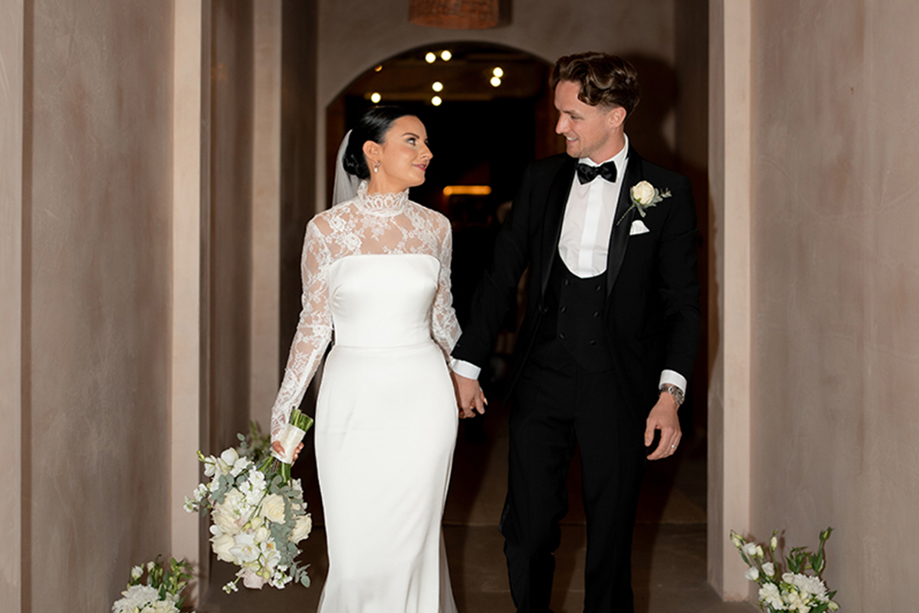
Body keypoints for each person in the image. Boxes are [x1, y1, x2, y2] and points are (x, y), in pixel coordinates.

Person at [452, 52, 701, 612]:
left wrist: (671, 395)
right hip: (543, 377)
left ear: (615, 116)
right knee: (527, 527)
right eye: (559, 112)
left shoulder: (666, 193)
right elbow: (499, 276)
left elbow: (682, 305)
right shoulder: (541, 180)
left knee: (611, 537)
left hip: (620, 385)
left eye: (574, 116)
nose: (560, 125)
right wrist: (466, 365)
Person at [269, 106, 465, 613]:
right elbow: (313, 327)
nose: (426, 153)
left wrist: (467, 373)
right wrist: (285, 412)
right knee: (356, 551)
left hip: (423, 397)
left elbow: (443, 315)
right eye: (412, 141)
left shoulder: (436, 227)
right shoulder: (327, 230)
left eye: (425, 143)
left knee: (412, 541)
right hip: (352, 397)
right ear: (373, 153)